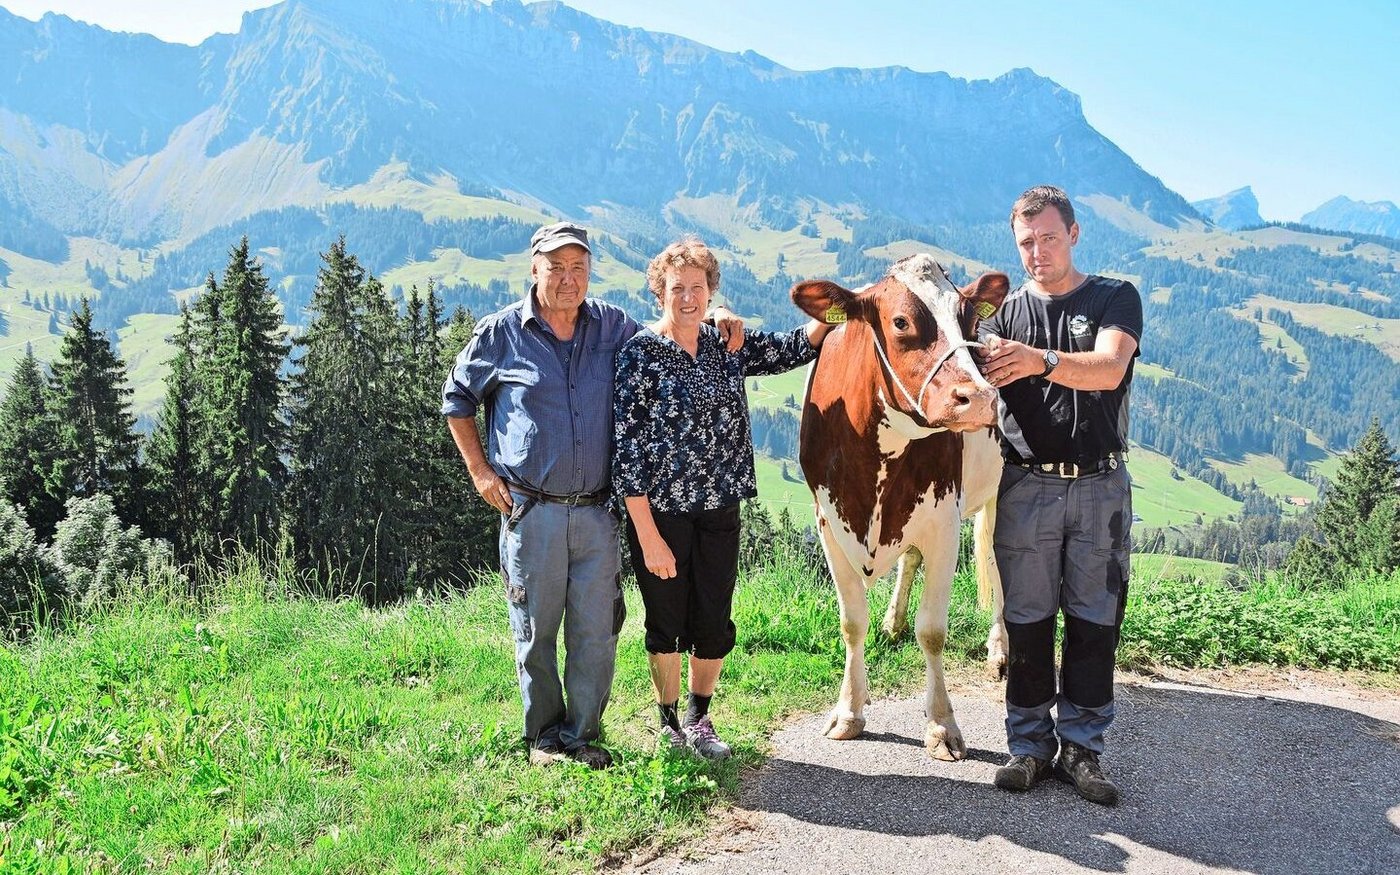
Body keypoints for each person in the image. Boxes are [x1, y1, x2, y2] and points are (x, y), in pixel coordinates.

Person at [442, 222, 742, 770]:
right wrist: (480, 471)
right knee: (535, 631)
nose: (567, 279)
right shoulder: (501, 333)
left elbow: (670, 329)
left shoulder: (612, 327)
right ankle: (542, 739)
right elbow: (457, 398)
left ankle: (581, 736)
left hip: (599, 512)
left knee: (597, 630)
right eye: (555, 268)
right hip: (531, 510)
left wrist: (714, 317)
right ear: (534, 271)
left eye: (578, 267)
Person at [612, 237, 831, 759]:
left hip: (720, 508)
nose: (687, 297)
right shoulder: (640, 354)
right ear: (658, 292)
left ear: (711, 292)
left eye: (697, 287)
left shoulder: (726, 346)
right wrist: (647, 537)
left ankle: (699, 719)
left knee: (713, 617)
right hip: (660, 513)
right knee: (665, 619)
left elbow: (797, 346)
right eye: (676, 288)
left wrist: (849, 305)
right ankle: (667, 723)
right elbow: (628, 452)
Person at [977, 185, 1142, 805]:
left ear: (1073, 234)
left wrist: (1038, 360)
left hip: (1101, 485)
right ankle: (1028, 747)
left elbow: (1109, 370)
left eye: (1049, 238)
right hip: (1025, 485)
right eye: (1026, 242)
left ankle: (1083, 751)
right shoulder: (1002, 319)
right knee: (1025, 619)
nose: (1038, 252)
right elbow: (976, 397)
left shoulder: (1113, 297)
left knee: (1095, 621)